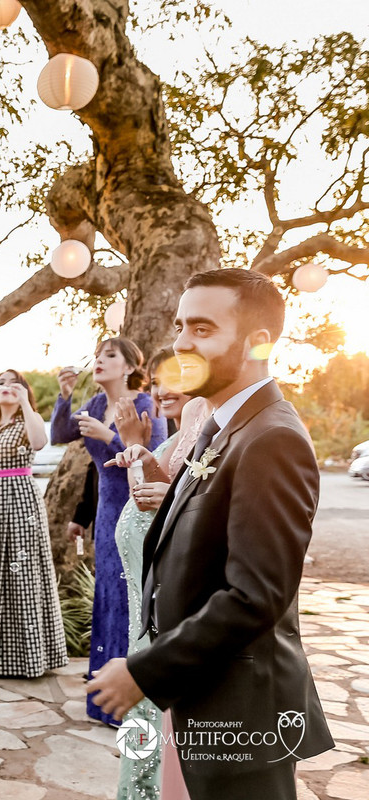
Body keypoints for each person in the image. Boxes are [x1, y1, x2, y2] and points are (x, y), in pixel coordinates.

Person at [88, 268, 334, 799]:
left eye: (201, 329)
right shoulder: (221, 426)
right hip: (205, 693)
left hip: (243, 711)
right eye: (180, 326)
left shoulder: (272, 439)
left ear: (258, 344)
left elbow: (255, 596)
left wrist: (144, 671)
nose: (180, 344)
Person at [104, 348, 205, 800]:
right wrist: (139, 455)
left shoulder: (206, 445)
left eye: (177, 378)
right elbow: (147, 502)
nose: (163, 391)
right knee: (142, 732)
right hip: (141, 607)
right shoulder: (170, 443)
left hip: (168, 609)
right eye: (159, 381)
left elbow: (178, 514)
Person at [52, 338, 166, 726]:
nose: (99, 360)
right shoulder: (96, 405)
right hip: (104, 513)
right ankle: (102, 697)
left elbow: (160, 459)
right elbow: (59, 434)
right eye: (97, 355)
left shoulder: (148, 406)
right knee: (107, 597)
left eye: (110, 356)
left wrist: (110, 437)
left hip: (136, 507)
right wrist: (65, 396)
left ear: (131, 365)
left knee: (129, 597)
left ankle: (129, 700)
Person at [0, 370, 67, 678]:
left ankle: (28, 657)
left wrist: (25, 404)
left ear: (23, 390)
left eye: (14, 383)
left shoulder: (26, 421)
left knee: (22, 571)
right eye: (1, 383)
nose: (6, 387)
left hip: (21, 500)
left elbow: (39, 442)